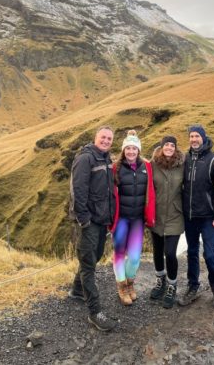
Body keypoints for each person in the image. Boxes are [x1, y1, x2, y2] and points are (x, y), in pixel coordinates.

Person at [68, 125, 117, 331]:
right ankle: (95, 312)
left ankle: (77, 290)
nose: (106, 141)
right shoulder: (85, 158)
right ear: (95, 138)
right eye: (103, 137)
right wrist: (84, 219)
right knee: (89, 265)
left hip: (100, 220)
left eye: (109, 138)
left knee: (94, 257)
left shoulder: (105, 159)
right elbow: (78, 190)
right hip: (88, 221)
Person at [179, 124, 214, 308]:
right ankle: (193, 287)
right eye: (191, 136)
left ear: (203, 137)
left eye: (197, 136)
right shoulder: (185, 159)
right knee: (192, 253)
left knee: (210, 254)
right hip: (190, 217)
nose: (194, 139)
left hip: (208, 217)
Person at [111, 130, 155, 306]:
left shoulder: (147, 167)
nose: (131, 152)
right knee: (119, 253)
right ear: (123, 150)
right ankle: (121, 286)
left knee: (135, 256)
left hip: (137, 219)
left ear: (138, 150)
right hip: (121, 219)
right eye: (128, 148)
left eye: (134, 148)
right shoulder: (116, 168)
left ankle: (130, 284)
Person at [149, 135, 185, 309]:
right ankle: (160, 281)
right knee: (157, 251)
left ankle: (172, 285)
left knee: (170, 253)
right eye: (166, 145)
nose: (169, 147)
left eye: (172, 145)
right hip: (156, 215)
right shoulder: (153, 165)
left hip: (175, 215)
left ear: (176, 148)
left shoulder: (182, 165)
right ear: (161, 147)